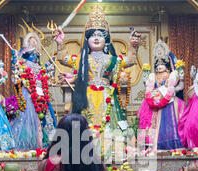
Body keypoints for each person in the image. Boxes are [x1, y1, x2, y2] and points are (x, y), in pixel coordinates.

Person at [54, 5, 140, 143]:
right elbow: (63, 58)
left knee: (109, 129)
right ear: (86, 40)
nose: (96, 38)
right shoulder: (81, 60)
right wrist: (60, 42)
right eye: (92, 35)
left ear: (106, 40)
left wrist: (133, 45)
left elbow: (130, 60)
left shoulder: (112, 60)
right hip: (86, 97)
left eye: (100, 35)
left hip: (107, 97)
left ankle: (108, 153)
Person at [10, 28, 57, 150]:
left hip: (41, 95)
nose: (34, 44)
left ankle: (46, 145)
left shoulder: (40, 66)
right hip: (29, 93)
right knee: (26, 118)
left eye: (36, 41)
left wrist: (50, 67)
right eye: (31, 41)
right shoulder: (23, 62)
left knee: (46, 118)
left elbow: (46, 77)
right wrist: (15, 62)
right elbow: (16, 76)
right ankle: (28, 145)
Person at [137, 39, 186, 152]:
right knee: (152, 125)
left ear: (167, 65)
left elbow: (180, 87)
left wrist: (175, 88)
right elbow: (149, 89)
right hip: (154, 102)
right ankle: (151, 146)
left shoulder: (172, 75)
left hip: (169, 103)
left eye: (162, 64)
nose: (159, 67)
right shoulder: (153, 76)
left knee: (169, 126)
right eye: (157, 65)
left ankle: (172, 146)